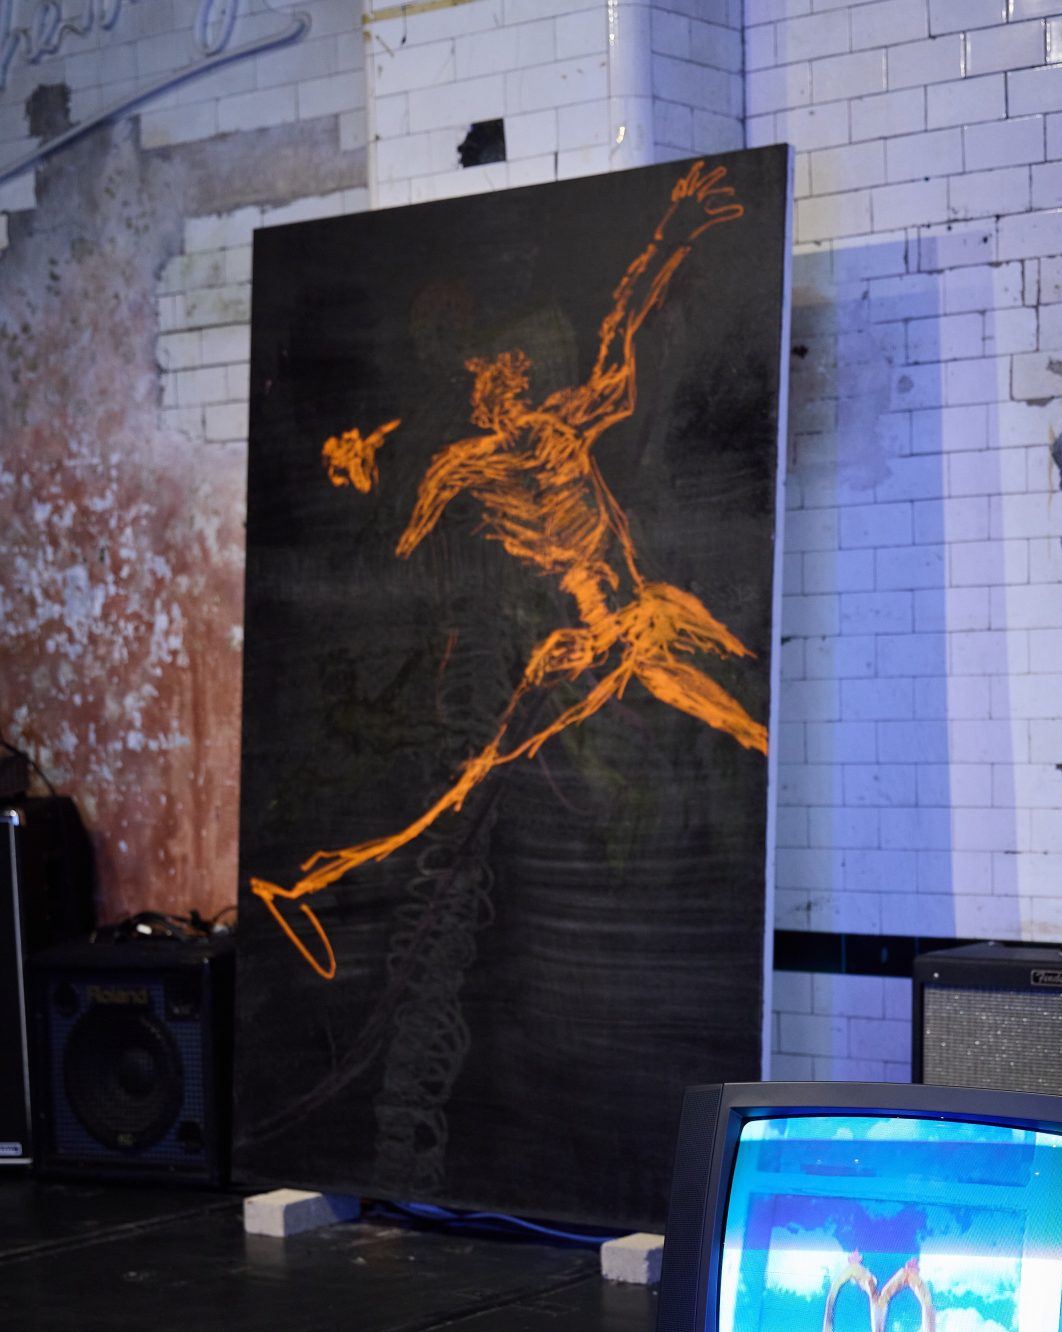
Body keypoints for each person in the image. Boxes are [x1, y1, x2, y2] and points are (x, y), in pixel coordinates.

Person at [252, 159, 768, 980]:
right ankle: (310, 885)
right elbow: (396, 540)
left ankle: (312, 882)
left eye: (508, 373)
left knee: (733, 697)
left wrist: (673, 232)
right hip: (601, 636)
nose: (500, 384)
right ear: (482, 401)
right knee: (480, 780)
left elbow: (621, 327)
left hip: (635, 615)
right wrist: (359, 471)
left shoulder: (567, 422)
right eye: (489, 381)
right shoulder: (466, 466)